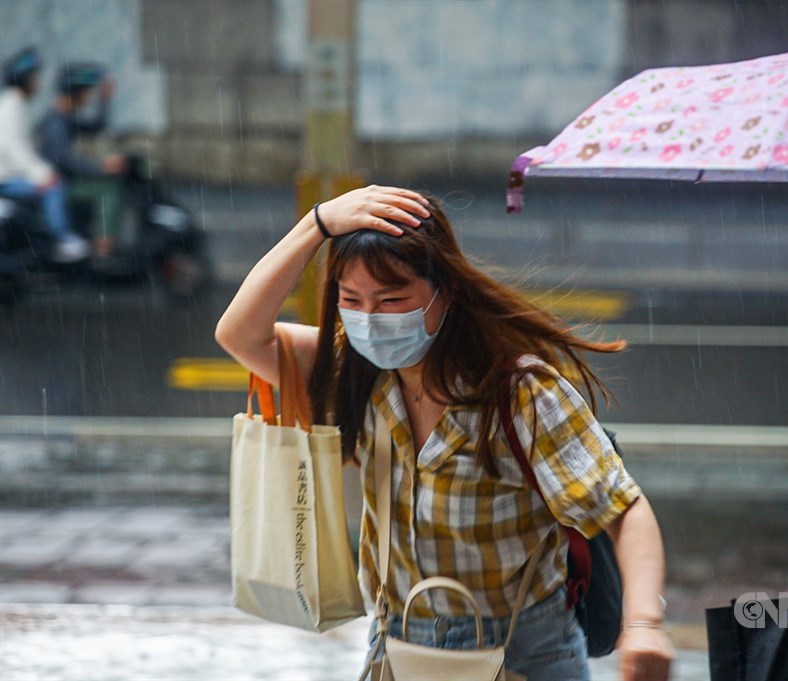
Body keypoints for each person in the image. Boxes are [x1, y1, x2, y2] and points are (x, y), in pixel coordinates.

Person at [216, 186, 675, 681]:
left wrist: (645, 623)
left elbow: (623, 509)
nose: (370, 318)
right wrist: (317, 225)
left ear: (445, 291)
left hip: (522, 650)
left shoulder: (520, 391)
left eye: (393, 299)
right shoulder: (359, 371)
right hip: (398, 646)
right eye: (352, 299)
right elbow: (239, 333)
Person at [0, 47, 90, 263]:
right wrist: (41, 174)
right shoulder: (11, 106)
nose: (37, 83)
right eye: (34, 77)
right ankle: (62, 239)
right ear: (25, 79)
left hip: (11, 174)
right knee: (54, 186)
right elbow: (12, 148)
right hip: (6, 179)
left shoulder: (15, 104)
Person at [38, 63, 125, 257]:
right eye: (87, 91)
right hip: (61, 184)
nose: (89, 96)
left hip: (63, 180)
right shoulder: (55, 123)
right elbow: (64, 160)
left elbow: (96, 126)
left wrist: (105, 101)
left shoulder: (65, 119)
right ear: (75, 92)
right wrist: (101, 167)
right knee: (108, 189)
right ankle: (103, 248)